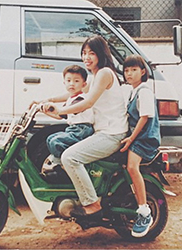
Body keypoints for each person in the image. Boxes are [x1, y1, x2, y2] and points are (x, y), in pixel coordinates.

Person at [43, 35, 128, 221]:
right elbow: (74, 91)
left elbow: (87, 102)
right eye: (83, 53)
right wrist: (47, 100)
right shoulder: (96, 75)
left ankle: (92, 204)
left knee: (70, 157)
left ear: (101, 54)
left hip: (112, 134)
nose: (86, 57)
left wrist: (61, 110)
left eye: (91, 53)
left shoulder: (105, 73)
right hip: (103, 132)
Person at [120, 54, 161, 237]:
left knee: (131, 167)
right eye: (126, 70)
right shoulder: (133, 91)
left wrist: (130, 139)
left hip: (145, 139)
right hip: (139, 137)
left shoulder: (144, 91)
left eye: (134, 70)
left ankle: (144, 211)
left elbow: (145, 118)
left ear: (142, 71)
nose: (129, 74)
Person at [42, 65, 94, 173]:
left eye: (76, 81)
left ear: (84, 84)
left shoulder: (81, 98)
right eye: (68, 80)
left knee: (56, 141)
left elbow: (67, 111)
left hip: (82, 130)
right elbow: (59, 115)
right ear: (64, 83)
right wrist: (43, 110)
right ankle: (60, 161)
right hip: (73, 128)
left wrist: (53, 107)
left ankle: (67, 163)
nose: (72, 83)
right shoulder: (71, 98)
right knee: (50, 138)